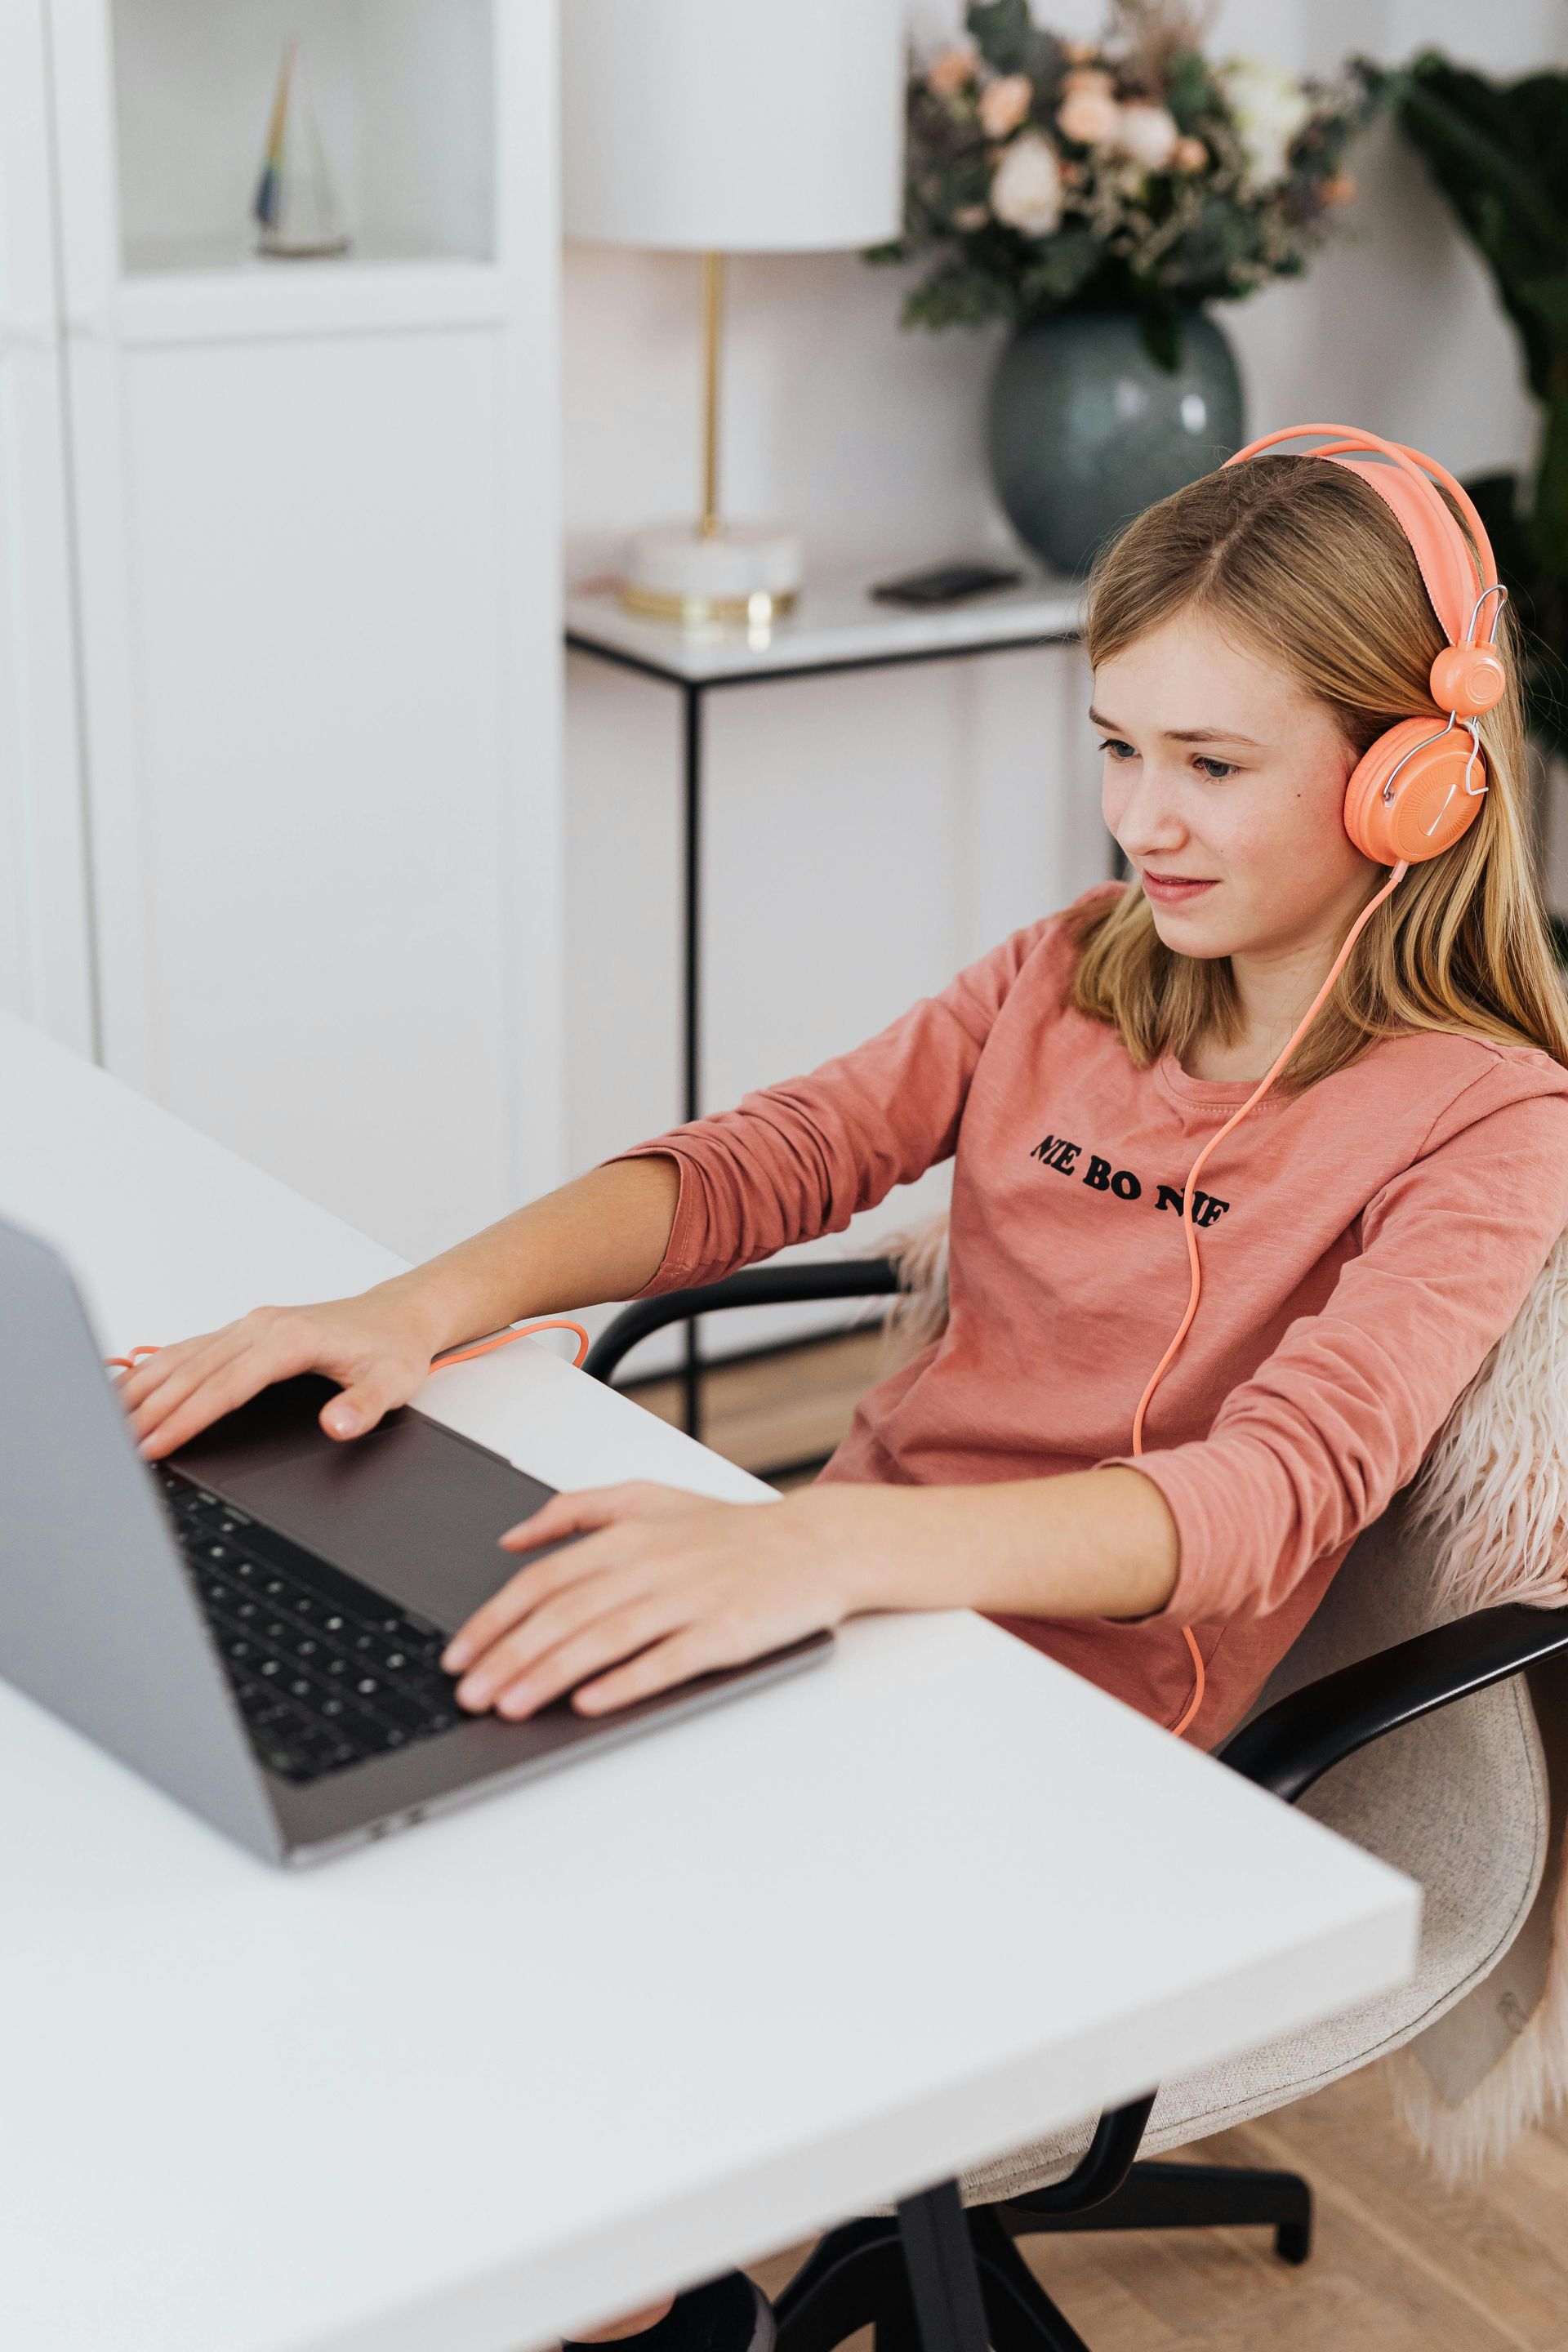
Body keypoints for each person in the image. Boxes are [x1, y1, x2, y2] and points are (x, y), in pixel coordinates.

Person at [117, 447, 1568, 2350]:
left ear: (1418, 777)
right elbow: (768, 1159)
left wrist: (814, 1545)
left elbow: (1263, 1506)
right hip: (830, 1615)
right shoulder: (1072, 973)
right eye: (1116, 744)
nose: (1145, 817)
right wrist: (405, 1311)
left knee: (558, 2163)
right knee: (369, 1896)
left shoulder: (1489, 1120)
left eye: (1213, 765)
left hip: (1062, 1743)